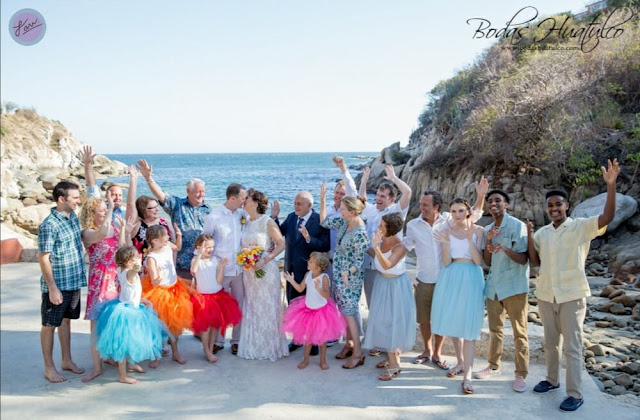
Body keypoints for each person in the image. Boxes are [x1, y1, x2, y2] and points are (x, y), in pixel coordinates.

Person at [527, 159, 620, 412]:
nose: (554, 208)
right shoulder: (542, 234)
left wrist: (610, 185)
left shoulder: (580, 227)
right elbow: (534, 262)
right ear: (546, 208)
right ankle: (552, 380)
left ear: (567, 206)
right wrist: (528, 235)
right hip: (546, 295)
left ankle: (575, 394)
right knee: (550, 343)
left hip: (572, 296)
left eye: (559, 204)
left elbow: (608, 216)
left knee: (572, 347)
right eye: (550, 205)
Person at [404, 181, 487, 369]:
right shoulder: (413, 225)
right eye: (420, 204)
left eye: (425, 205)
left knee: (441, 317)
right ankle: (426, 350)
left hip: (447, 278)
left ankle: (437, 353)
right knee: (424, 318)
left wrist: (480, 196)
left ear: (436, 207)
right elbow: (406, 245)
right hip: (424, 277)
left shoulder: (449, 219)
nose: (421, 208)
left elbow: (474, 214)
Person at [473, 189, 530, 393]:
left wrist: (505, 248)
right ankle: (493, 366)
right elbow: (487, 262)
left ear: (506, 204)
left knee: (519, 332)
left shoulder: (517, 226)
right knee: (495, 330)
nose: (493, 204)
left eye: (498, 200)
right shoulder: (488, 228)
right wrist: (488, 242)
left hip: (514, 286)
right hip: (494, 286)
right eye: (490, 201)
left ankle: (520, 374)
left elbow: (524, 259)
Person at [431, 198, 485, 395]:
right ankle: (460, 362)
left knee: (469, 325)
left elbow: (478, 261)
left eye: (461, 211)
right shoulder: (446, 231)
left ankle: (468, 375)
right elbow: (446, 262)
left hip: (471, 276)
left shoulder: (479, 231)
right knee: (454, 321)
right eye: (453, 211)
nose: (457, 215)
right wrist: (445, 243)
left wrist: (470, 239)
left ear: (468, 212)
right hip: (451, 275)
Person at [37, 181, 86, 383]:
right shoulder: (49, 225)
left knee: (66, 321)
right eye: (74, 198)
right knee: (49, 324)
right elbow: (43, 258)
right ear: (61, 199)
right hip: (57, 285)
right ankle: (49, 368)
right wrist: (52, 288)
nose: (78, 201)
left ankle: (66, 360)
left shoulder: (72, 217)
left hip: (73, 282)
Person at [95, 246, 166, 384]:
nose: (138, 259)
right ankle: (122, 375)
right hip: (128, 313)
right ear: (128, 262)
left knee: (132, 340)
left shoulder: (121, 269)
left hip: (131, 306)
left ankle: (131, 363)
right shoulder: (130, 273)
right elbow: (134, 271)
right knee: (124, 343)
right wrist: (141, 267)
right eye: (136, 258)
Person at [271, 190, 330, 353]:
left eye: (299, 203)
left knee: (311, 308)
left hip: (310, 272)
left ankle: (314, 344)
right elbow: (279, 233)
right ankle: (297, 339)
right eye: (295, 203)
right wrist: (274, 217)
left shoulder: (319, 220)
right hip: (291, 269)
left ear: (309, 205)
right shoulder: (290, 217)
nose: (295, 206)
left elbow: (326, 245)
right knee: (294, 306)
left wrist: (309, 238)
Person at [319, 183, 369, 369]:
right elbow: (324, 222)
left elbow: (359, 262)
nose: (340, 211)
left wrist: (347, 274)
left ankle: (358, 353)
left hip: (350, 279)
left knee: (349, 314)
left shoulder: (360, 233)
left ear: (353, 211)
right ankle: (349, 345)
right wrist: (322, 200)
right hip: (339, 275)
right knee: (343, 313)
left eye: (343, 209)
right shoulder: (344, 222)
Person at [78, 193, 127, 383]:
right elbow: (100, 233)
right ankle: (97, 367)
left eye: (106, 210)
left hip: (115, 280)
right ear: (92, 213)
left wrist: (122, 230)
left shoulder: (112, 226)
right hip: (100, 282)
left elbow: (121, 249)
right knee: (97, 325)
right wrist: (110, 206)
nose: (106, 212)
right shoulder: (87, 232)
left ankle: (111, 357)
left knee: (114, 322)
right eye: (102, 210)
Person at [237, 188, 289, 361]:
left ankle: (270, 347)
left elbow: (281, 244)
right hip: (250, 273)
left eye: (248, 198)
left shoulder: (267, 222)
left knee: (267, 306)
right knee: (252, 307)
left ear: (256, 202)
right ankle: (253, 345)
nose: (244, 200)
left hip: (266, 271)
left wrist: (265, 260)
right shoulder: (245, 221)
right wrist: (245, 259)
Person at [137, 159, 211, 279]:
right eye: (198, 192)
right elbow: (160, 195)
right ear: (188, 191)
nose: (201, 195)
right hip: (182, 263)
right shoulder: (177, 204)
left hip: (202, 262)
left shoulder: (208, 209)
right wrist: (148, 179)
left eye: (203, 192)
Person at [363, 213, 416, 381]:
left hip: (395, 286)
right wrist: (366, 245)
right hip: (382, 284)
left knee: (392, 323)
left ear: (391, 230)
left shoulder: (400, 247)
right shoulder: (383, 240)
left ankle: (394, 365)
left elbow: (387, 264)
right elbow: (375, 255)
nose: (379, 228)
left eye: (382, 226)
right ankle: (391, 358)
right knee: (381, 321)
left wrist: (375, 247)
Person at [202, 183, 247, 355]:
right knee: (220, 307)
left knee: (239, 306)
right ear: (232, 198)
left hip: (240, 269)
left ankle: (236, 340)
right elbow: (204, 241)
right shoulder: (214, 217)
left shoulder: (243, 215)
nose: (244, 201)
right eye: (242, 198)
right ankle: (218, 341)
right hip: (221, 271)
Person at [281, 252, 346, 370]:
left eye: (311, 261)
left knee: (322, 339)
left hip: (321, 312)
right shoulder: (308, 274)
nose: (308, 262)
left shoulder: (324, 278)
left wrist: (318, 289)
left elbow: (326, 295)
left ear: (318, 267)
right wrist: (291, 280)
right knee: (308, 337)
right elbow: (300, 288)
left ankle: (323, 360)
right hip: (307, 310)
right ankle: (306, 359)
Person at [141, 224, 191, 365]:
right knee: (159, 325)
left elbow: (178, 248)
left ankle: (175, 353)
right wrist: (159, 273)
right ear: (155, 240)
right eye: (165, 235)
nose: (168, 237)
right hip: (159, 293)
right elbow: (155, 282)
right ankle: (156, 355)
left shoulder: (167, 246)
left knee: (173, 326)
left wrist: (179, 234)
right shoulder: (151, 258)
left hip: (174, 289)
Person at [190, 234, 242, 364]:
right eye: (207, 247)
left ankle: (211, 346)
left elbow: (219, 280)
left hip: (217, 296)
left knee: (214, 326)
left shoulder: (215, 260)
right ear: (199, 247)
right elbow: (194, 270)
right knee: (205, 327)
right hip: (204, 298)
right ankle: (206, 350)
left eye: (212, 247)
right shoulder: (196, 261)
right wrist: (199, 255)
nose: (210, 249)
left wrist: (222, 267)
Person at [125, 165, 172, 261]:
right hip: (144, 270)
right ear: (143, 209)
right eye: (152, 208)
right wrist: (133, 179)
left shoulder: (164, 223)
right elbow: (130, 204)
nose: (157, 209)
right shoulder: (137, 225)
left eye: (156, 206)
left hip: (165, 268)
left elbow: (173, 247)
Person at [81, 145, 126, 222]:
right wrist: (87, 164)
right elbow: (92, 187)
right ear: (106, 196)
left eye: (120, 195)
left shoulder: (125, 212)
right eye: (114, 195)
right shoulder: (100, 208)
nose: (117, 198)